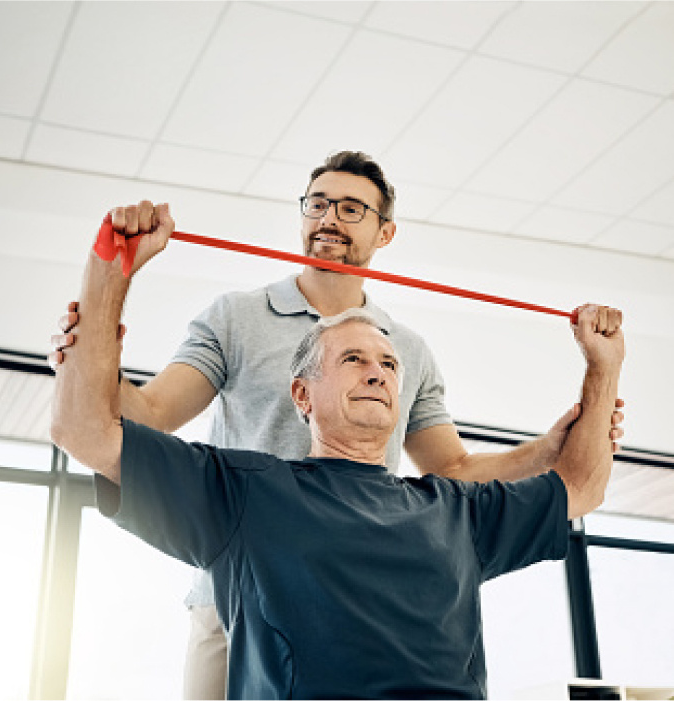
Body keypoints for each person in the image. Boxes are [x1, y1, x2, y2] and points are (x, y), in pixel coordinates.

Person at [49, 153, 624, 698]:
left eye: (352, 208)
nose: (330, 217)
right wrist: (91, 348)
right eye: (317, 203)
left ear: (384, 232)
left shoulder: (407, 351)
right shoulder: (235, 318)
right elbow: (139, 417)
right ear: (303, 392)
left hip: (364, 582)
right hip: (238, 580)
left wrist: (550, 448)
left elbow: (454, 468)